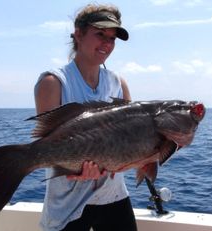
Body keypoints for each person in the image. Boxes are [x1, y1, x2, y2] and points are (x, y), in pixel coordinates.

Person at [34, 3, 137, 231]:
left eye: (112, 38)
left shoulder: (119, 84)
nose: (107, 44)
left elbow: (127, 142)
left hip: (114, 197)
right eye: (100, 34)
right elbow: (48, 148)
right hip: (67, 205)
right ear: (78, 34)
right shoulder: (53, 83)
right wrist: (77, 168)